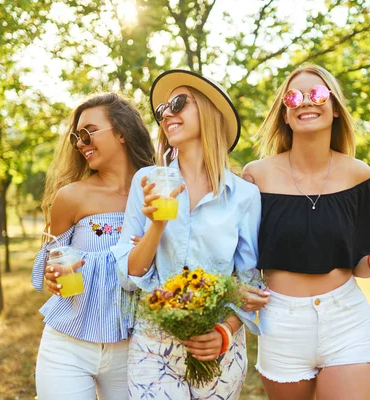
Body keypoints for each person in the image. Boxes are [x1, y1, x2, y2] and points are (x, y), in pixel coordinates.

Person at [242, 64, 370, 400]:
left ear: (335, 108)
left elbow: (361, 264)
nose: (307, 101)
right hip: (281, 322)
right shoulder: (256, 176)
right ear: (284, 113)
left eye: (319, 94)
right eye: (294, 96)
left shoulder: (358, 175)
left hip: (345, 319)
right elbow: (240, 257)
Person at [111, 69, 267, 399]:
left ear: (210, 113)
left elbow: (250, 281)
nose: (167, 113)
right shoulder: (147, 182)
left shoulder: (244, 195)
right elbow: (130, 274)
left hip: (219, 349)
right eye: (162, 109)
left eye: (179, 103)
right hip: (154, 346)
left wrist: (225, 331)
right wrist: (156, 225)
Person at [31, 93, 155, 399]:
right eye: (76, 137)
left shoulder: (156, 193)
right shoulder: (71, 196)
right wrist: (52, 274)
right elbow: (50, 261)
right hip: (68, 346)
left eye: (88, 133)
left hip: (134, 347)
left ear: (122, 132)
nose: (80, 143)